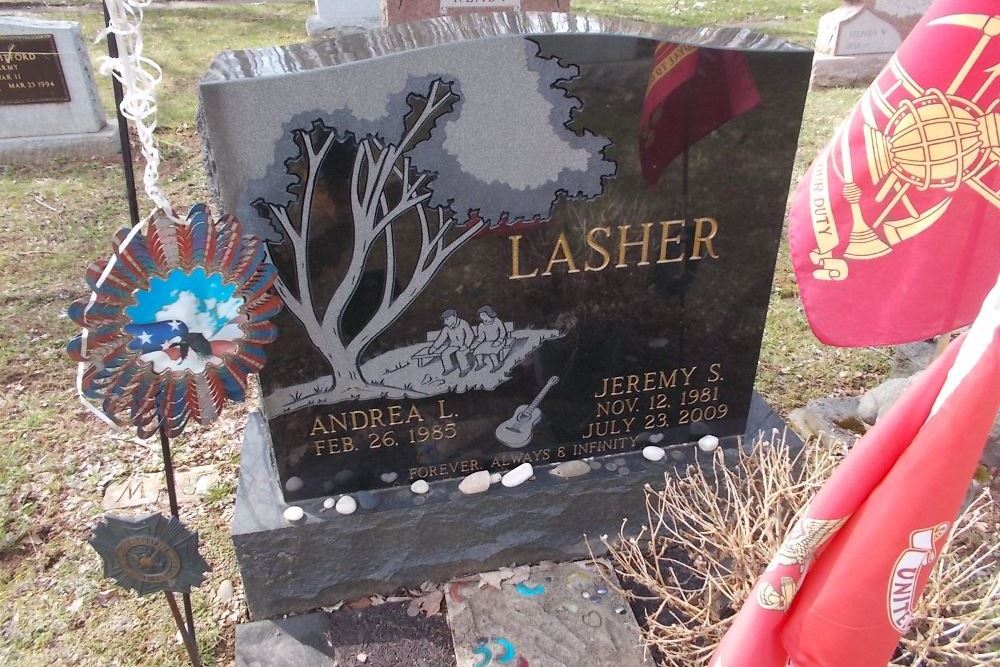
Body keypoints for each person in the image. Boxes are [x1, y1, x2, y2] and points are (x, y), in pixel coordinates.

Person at [428, 309, 474, 376]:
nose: (445, 322)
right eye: (444, 320)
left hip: (465, 344)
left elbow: (470, 335)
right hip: (454, 345)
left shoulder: (463, 323)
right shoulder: (446, 328)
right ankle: (449, 368)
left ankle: (465, 368)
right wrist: (434, 347)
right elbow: (441, 339)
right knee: (444, 354)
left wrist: (466, 345)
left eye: (447, 319)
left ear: (454, 317)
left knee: (459, 354)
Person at [472, 305, 509, 372]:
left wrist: (499, 340)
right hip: (488, 342)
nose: (481, 317)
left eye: (483, 315)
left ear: (489, 313)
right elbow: (481, 337)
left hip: (499, 340)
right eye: (480, 315)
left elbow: (503, 332)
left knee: (492, 352)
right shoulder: (481, 325)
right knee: (477, 351)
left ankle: (496, 365)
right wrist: (476, 343)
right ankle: (481, 364)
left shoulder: (497, 321)